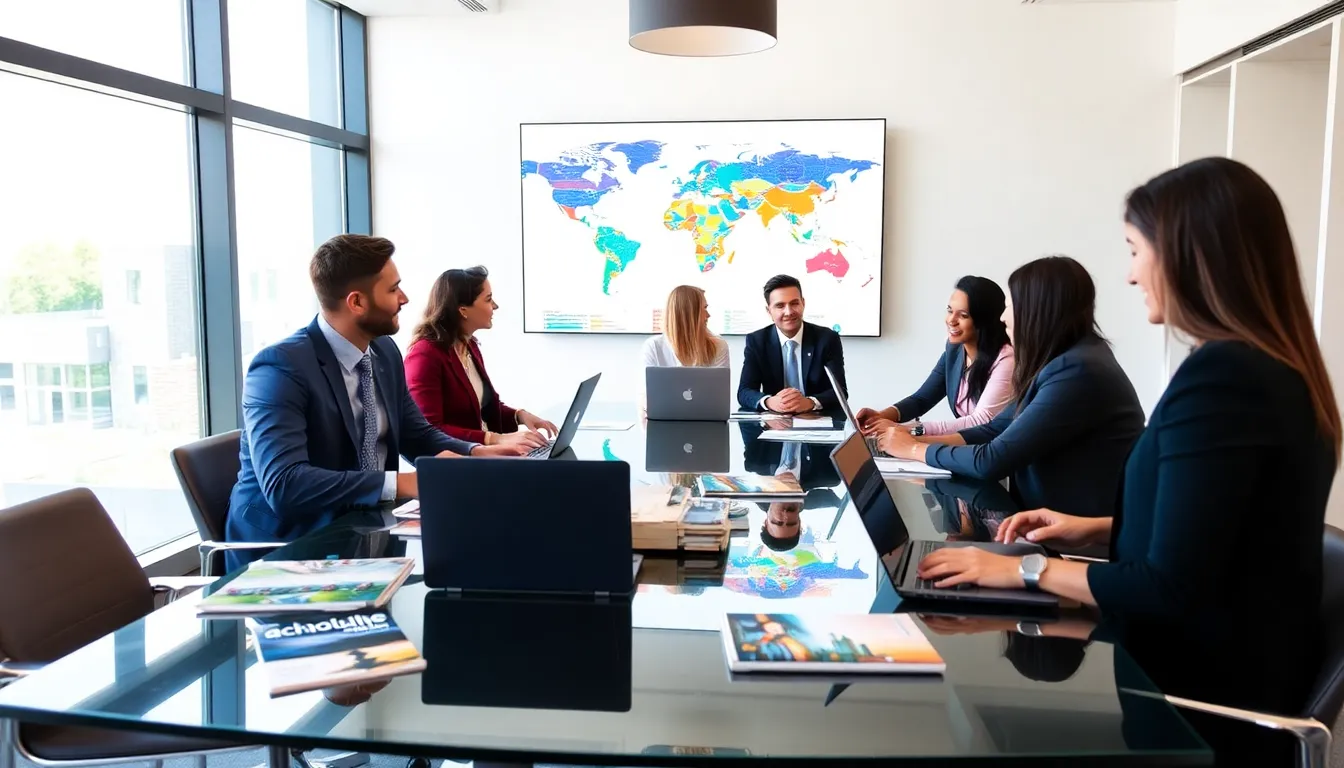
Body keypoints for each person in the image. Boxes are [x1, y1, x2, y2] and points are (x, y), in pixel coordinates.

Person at [917, 158, 1340, 747]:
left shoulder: (1225, 380)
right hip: (1199, 670)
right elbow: (1224, 537)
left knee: (959, 715)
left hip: (1192, 709)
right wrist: (1090, 527)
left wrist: (1022, 570)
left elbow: (1170, 588)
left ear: (1190, 257)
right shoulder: (1266, 370)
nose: (1131, 275)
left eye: (1136, 251)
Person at [226, 236, 529, 566]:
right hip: (291, 551)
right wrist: (403, 483)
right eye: (393, 289)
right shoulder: (280, 368)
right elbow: (286, 485)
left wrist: (475, 452)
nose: (404, 298)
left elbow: (417, 434)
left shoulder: (383, 352)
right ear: (357, 302)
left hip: (366, 534)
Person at [875, 256, 1144, 517]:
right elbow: (994, 428)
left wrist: (913, 449)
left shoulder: (1075, 371)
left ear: (1038, 311)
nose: (1003, 317)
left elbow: (991, 460)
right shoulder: (1064, 360)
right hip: (1042, 518)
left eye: (1011, 305)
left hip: (1071, 532)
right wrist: (909, 441)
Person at [404, 266, 557, 447]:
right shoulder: (424, 355)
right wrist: (494, 439)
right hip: (459, 458)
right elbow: (429, 431)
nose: (495, 306)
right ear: (463, 310)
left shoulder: (470, 346)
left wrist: (520, 416)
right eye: (488, 299)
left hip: (486, 453)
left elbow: (484, 410)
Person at [856, 276, 1014, 435]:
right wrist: (880, 417)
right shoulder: (955, 350)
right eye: (950, 311)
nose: (951, 320)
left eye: (963, 315)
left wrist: (906, 430)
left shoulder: (1006, 359)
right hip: (969, 445)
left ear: (984, 320)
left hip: (996, 446)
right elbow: (922, 399)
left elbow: (981, 421)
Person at [737, 274, 847, 413]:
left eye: (794, 303)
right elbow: (744, 392)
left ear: (803, 303)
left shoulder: (827, 338)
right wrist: (769, 401)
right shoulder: (757, 341)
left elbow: (840, 391)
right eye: (780, 306)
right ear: (769, 311)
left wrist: (810, 402)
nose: (788, 312)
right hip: (774, 418)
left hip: (816, 417)